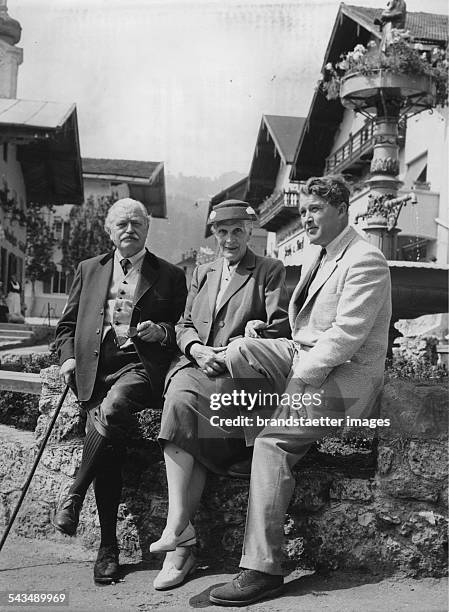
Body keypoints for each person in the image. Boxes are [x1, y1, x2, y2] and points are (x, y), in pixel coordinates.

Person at [209, 175, 392, 606]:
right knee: (241, 352)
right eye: (305, 209)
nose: (306, 217)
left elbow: (344, 336)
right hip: (307, 358)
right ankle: (249, 447)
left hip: (344, 381)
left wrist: (297, 384)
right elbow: (307, 327)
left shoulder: (365, 259)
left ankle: (262, 569)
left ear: (342, 209)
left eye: (315, 210)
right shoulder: (325, 254)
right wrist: (263, 332)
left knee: (274, 443)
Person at [150, 199, 290, 590]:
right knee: (178, 399)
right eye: (222, 232)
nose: (229, 239)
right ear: (214, 234)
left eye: (237, 231)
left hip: (237, 375)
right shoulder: (203, 271)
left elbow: (280, 329)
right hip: (196, 366)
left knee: (192, 416)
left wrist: (247, 338)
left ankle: (179, 540)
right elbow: (183, 323)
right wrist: (195, 348)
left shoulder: (268, 270)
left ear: (250, 233)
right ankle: (180, 530)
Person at [53, 198, 187, 585]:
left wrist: (161, 331)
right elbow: (66, 326)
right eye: (121, 224)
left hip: (139, 369)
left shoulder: (170, 275)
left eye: (136, 224)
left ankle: (74, 492)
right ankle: (107, 547)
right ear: (109, 231)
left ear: (147, 229)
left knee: (111, 411)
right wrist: (66, 359)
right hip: (94, 370)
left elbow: (181, 327)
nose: (129, 230)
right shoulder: (88, 270)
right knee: (105, 444)